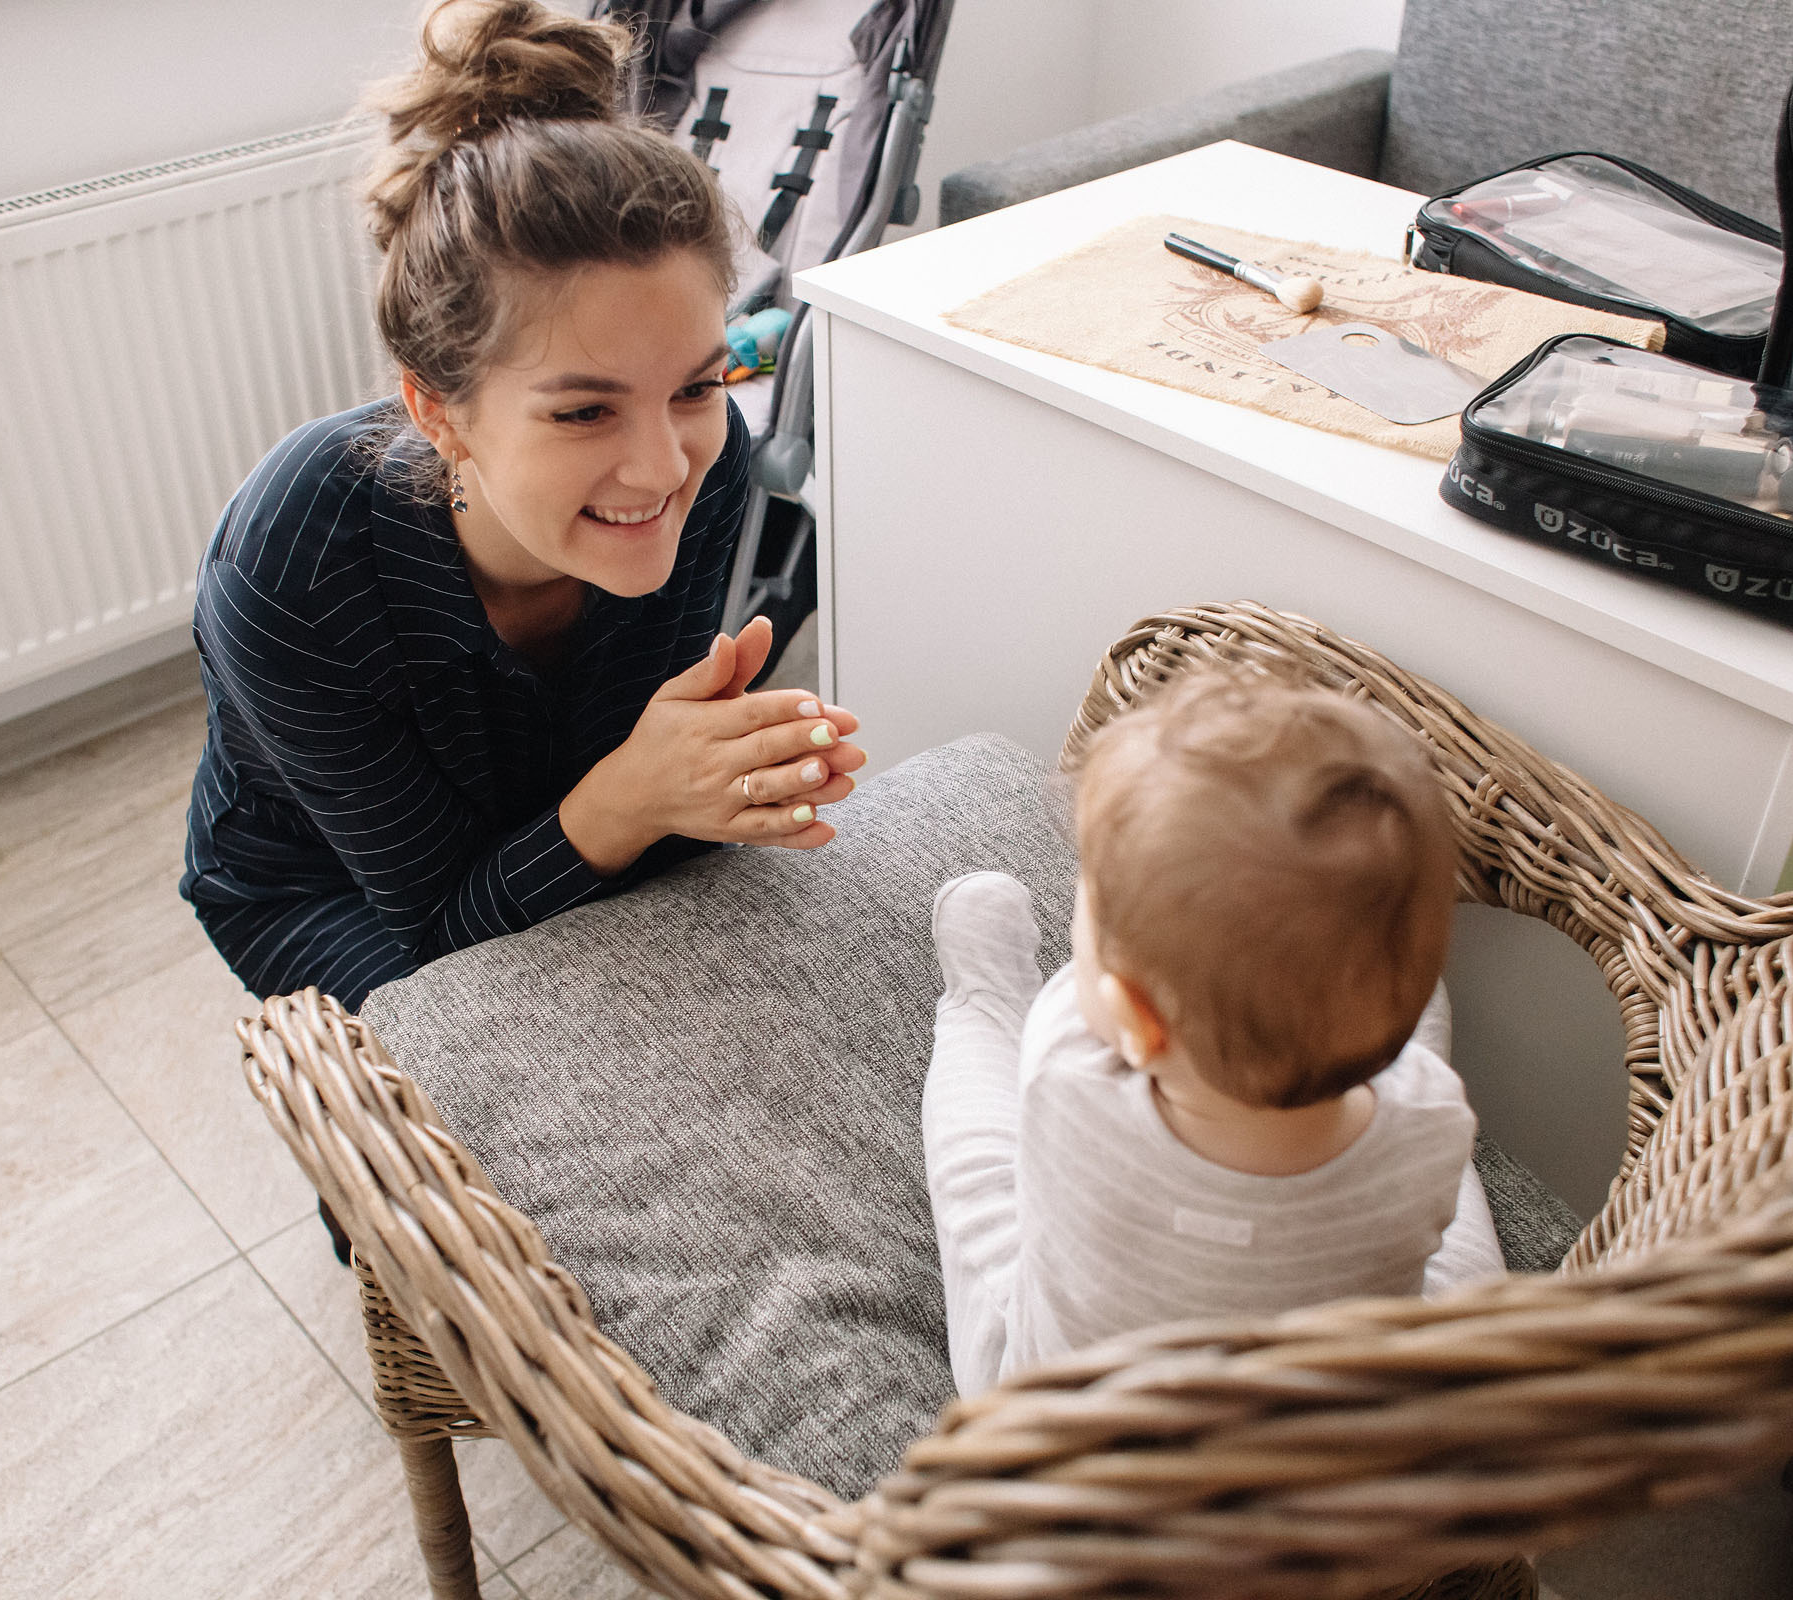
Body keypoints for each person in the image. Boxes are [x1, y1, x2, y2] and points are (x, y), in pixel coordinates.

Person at [180, 0, 867, 1255]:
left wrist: (726, 777)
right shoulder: (295, 562)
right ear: (439, 411)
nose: (664, 463)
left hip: (563, 806)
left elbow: (631, 762)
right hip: (337, 881)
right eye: (582, 412)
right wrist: (638, 795)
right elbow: (437, 924)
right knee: (490, 1189)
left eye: (698, 383)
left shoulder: (714, 469)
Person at [922, 670, 1502, 1394]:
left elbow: (1083, 1015)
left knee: (978, 1179)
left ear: (1135, 1024)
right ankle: (1380, 1049)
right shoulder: (1435, 1123)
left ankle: (979, 994)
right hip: (1306, 1438)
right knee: (1460, 1279)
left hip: (1061, 1422)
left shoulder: (1068, 1071)